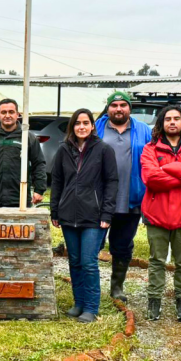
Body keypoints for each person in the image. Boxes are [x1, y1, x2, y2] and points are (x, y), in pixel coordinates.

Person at [51, 108, 118, 323]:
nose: (81, 127)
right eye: (77, 123)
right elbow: (57, 182)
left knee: (89, 262)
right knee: (75, 261)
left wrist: (107, 213)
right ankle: (78, 302)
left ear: (92, 126)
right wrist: (55, 210)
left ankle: (91, 306)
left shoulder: (104, 150)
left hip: (94, 215)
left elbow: (111, 182)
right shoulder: (63, 150)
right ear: (73, 126)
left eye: (86, 123)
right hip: (69, 214)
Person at [141, 105, 181, 322]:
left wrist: (167, 169)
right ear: (161, 123)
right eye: (168, 118)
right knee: (156, 261)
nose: (172, 122)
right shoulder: (150, 149)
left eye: (176, 118)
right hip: (156, 214)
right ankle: (154, 301)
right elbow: (151, 179)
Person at [95, 91, 151, 302]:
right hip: (99, 199)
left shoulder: (143, 130)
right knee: (94, 244)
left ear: (129, 108)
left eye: (123, 105)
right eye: (114, 105)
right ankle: (92, 286)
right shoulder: (96, 128)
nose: (118, 109)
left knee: (123, 245)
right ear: (108, 108)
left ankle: (117, 286)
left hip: (131, 198)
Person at [0, 98, 47, 207]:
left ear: (17, 114)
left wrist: (39, 189)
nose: (7, 115)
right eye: (3, 112)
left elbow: (39, 164)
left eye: (11, 112)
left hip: (19, 195)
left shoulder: (28, 137)